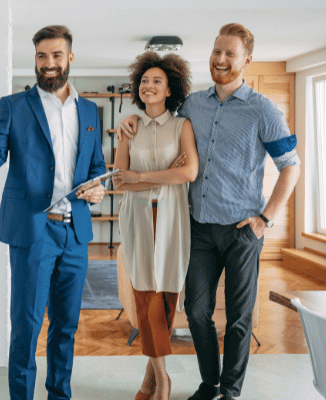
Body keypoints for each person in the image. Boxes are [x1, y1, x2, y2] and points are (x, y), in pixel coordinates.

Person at [118, 23, 301, 400]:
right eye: (217, 51)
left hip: (242, 230)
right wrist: (130, 120)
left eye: (229, 54)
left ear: (246, 60)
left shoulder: (264, 109)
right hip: (198, 227)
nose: (220, 59)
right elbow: (159, 117)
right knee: (197, 311)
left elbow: (291, 166)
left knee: (238, 318)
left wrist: (265, 219)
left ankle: (230, 392)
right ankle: (209, 383)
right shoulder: (192, 106)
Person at [0, 25, 106, 400]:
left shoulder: (89, 110)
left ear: (70, 58)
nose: (48, 63)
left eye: (56, 55)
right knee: (26, 328)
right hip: (33, 231)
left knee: (66, 327)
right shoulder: (13, 106)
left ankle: (60, 395)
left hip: (75, 233)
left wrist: (99, 186)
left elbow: (96, 166)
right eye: (41, 56)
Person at [112, 52, 198, 400]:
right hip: (138, 219)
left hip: (172, 219)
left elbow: (188, 172)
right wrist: (164, 177)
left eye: (157, 81)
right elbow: (119, 181)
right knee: (145, 296)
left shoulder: (182, 127)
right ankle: (163, 381)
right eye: (144, 80)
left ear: (169, 90)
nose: (149, 86)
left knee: (165, 298)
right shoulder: (128, 126)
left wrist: (141, 177)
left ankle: (150, 380)